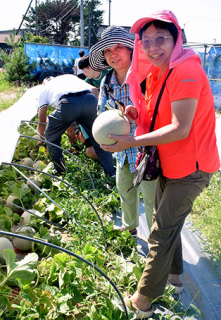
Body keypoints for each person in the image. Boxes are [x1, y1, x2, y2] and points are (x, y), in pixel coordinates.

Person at [100, 10, 220, 319]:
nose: (153, 48)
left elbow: (180, 128)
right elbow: (156, 116)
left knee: (160, 231)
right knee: (166, 224)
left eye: (161, 39)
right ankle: (175, 278)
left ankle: (142, 300)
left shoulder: (186, 70)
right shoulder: (156, 74)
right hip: (168, 163)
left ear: (176, 38)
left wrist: (131, 143)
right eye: (147, 41)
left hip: (192, 167)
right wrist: (134, 115)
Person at [89, 26, 157, 237]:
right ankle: (130, 226)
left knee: (151, 196)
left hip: (144, 149)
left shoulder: (146, 77)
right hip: (121, 151)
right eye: (108, 50)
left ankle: (156, 240)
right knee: (125, 189)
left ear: (130, 50)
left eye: (118, 47)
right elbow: (101, 113)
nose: (113, 54)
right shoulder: (107, 81)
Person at [37, 74, 115, 176]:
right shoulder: (68, 77)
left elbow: (41, 121)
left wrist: (41, 139)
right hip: (89, 100)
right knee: (98, 137)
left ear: (43, 83)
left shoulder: (45, 88)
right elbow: (94, 89)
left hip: (68, 104)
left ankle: (61, 172)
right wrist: (95, 111)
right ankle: (111, 172)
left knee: (51, 137)